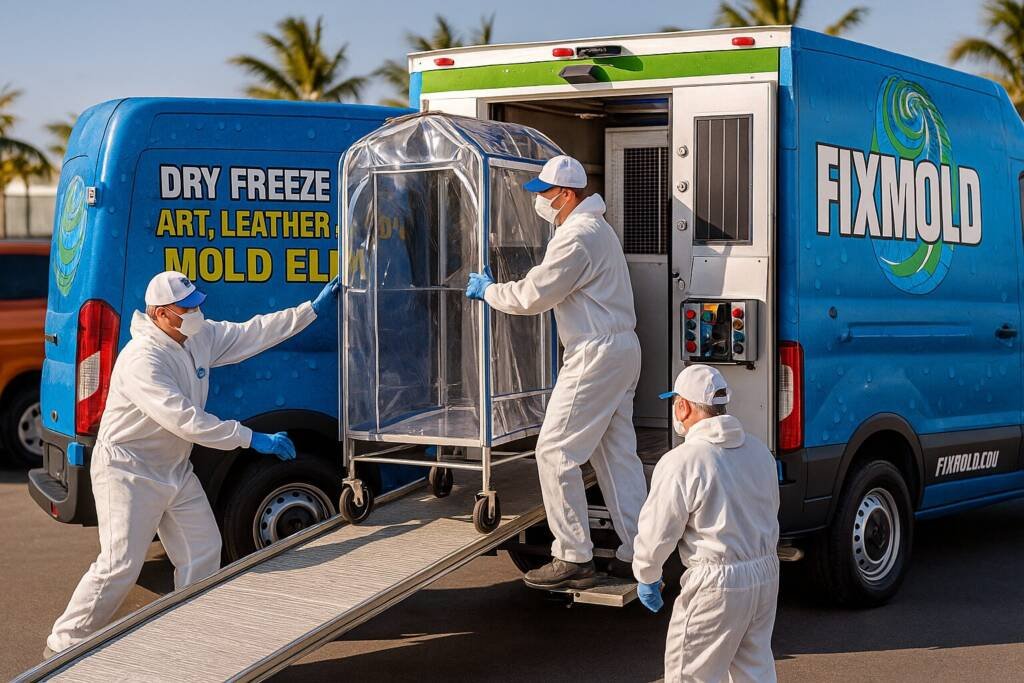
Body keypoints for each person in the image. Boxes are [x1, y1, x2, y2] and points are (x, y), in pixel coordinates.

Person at [45, 271, 340, 657]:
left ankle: (186, 634)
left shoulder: (195, 337)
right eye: (187, 308)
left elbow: (251, 332)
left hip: (174, 467)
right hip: (129, 471)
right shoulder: (142, 360)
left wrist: (309, 312)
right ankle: (63, 644)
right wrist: (253, 438)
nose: (197, 311)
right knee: (119, 565)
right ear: (161, 313)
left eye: (197, 303)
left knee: (203, 550)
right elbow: (186, 419)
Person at [465, 154, 648, 588]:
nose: (540, 201)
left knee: (554, 452)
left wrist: (490, 290)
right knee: (615, 454)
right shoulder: (596, 229)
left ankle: (573, 557)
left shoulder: (577, 237)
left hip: (595, 353)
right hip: (621, 349)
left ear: (566, 195)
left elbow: (534, 294)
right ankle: (641, 551)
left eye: (544, 193)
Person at [632, 365, 780, 683]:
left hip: (716, 586)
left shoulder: (683, 461)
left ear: (683, 406)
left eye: (675, 403)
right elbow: (771, 510)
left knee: (691, 675)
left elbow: (657, 531)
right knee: (754, 672)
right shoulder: (759, 451)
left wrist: (647, 574)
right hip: (765, 577)